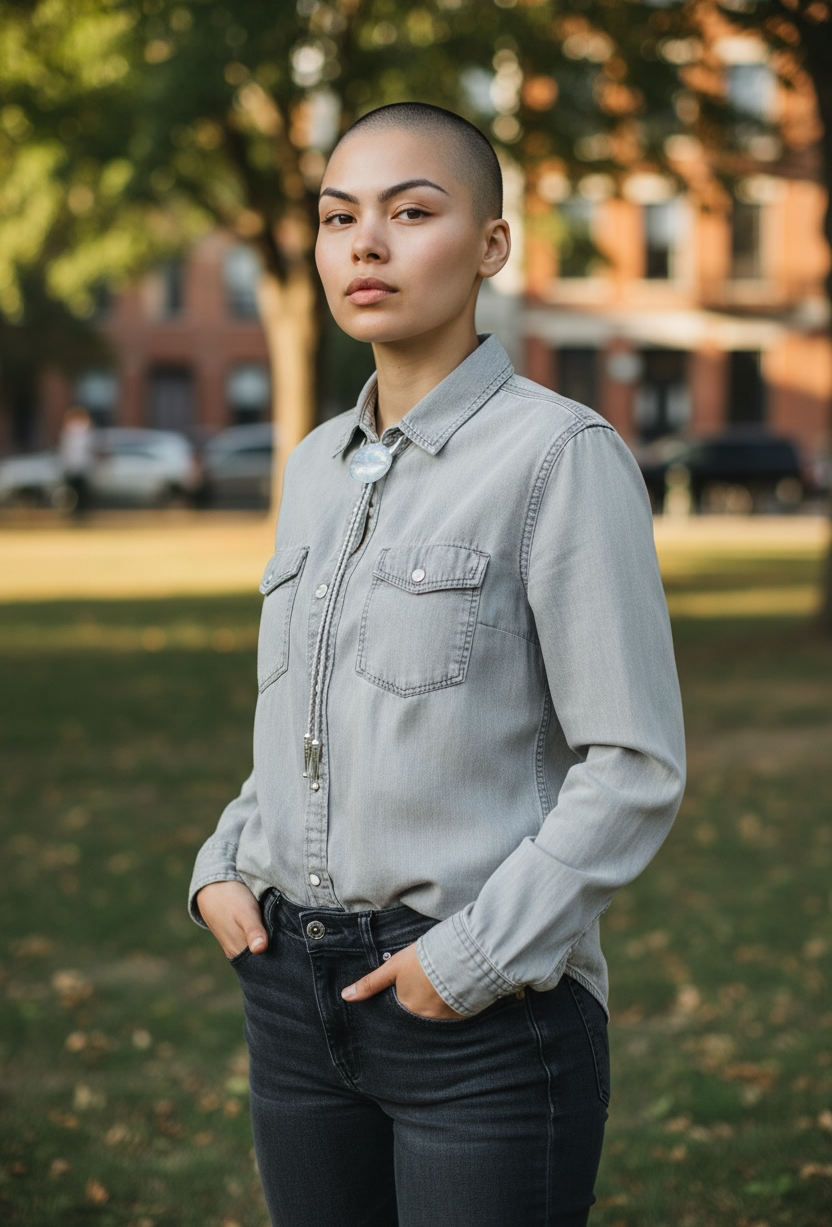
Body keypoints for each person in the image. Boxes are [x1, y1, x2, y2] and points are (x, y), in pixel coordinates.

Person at [189, 102, 686, 1227]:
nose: (366, 244)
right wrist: (225, 865)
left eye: (412, 213)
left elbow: (633, 765)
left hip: (480, 1018)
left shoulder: (559, 455)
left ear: (491, 245)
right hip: (291, 1002)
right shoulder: (315, 466)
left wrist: (470, 961)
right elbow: (305, 726)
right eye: (339, 218)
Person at [58, 404, 95, 515]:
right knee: (75, 491)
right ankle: (76, 511)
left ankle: (79, 511)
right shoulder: (77, 430)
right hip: (75, 466)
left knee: (78, 491)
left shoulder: (74, 430)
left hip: (79, 466)